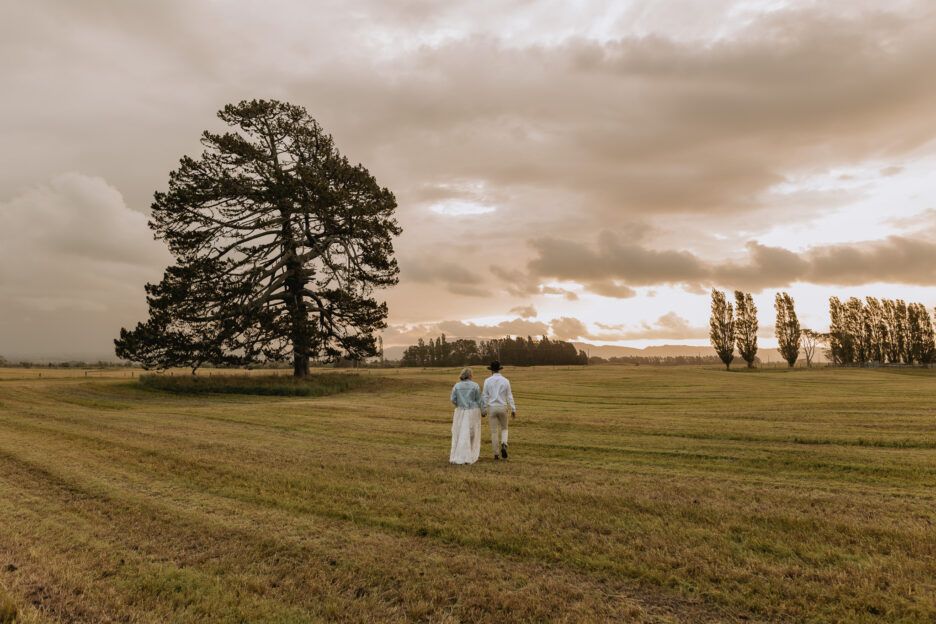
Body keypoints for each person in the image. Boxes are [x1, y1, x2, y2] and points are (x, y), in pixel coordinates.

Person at [449, 367, 486, 464]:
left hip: (460, 411)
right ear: (470, 375)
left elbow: (453, 399)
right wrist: (483, 411)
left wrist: (459, 404)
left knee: (460, 432)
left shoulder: (457, 386)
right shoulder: (475, 386)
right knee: (473, 433)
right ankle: (471, 454)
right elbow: (479, 400)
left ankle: (458, 454)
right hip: (473, 411)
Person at [482, 361, 516, 460]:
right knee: (504, 428)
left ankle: (496, 454)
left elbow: (485, 396)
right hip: (502, 406)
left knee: (494, 431)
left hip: (492, 408)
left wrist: (483, 409)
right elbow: (509, 396)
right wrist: (513, 409)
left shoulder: (487, 381)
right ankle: (504, 444)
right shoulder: (505, 381)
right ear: (499, 369)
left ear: (491, 370)